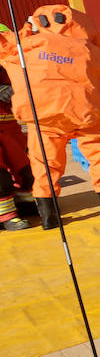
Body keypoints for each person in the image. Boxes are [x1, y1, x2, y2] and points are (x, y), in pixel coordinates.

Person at [0, 6, 100, 229]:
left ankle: (49, 216)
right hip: (87, 114)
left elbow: (5, 47)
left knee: (44, 164)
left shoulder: (24, 48)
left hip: (42, 117)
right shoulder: (87, 49)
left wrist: (25, 33)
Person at [0, 58, 31, 231]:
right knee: (0, 176)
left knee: (25, 168)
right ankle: (6, 216)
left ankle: (27, 204)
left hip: (10, 126)